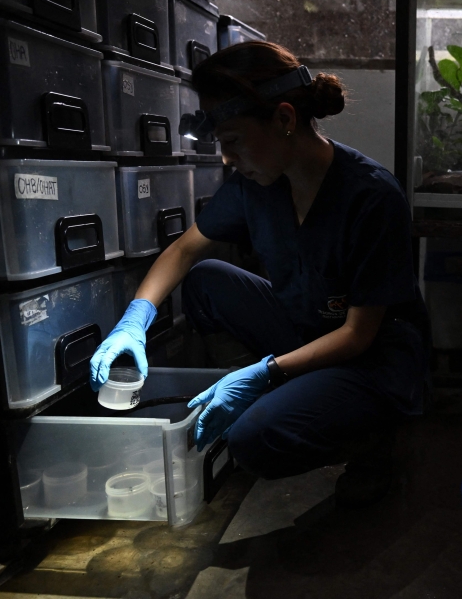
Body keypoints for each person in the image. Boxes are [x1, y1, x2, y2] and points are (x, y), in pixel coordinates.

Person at [89, 41, 429, 506]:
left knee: (255, 441)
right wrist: (134, 321)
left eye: (232, 141)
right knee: (207, 279)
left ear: (285, 120)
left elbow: (356, 335)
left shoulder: (371, 197)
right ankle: (271, 394)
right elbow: (185, 249)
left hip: (373, 359)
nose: (227, 159)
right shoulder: (257, 184)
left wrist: (264, 373)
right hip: (308, 327)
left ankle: (371, 442)